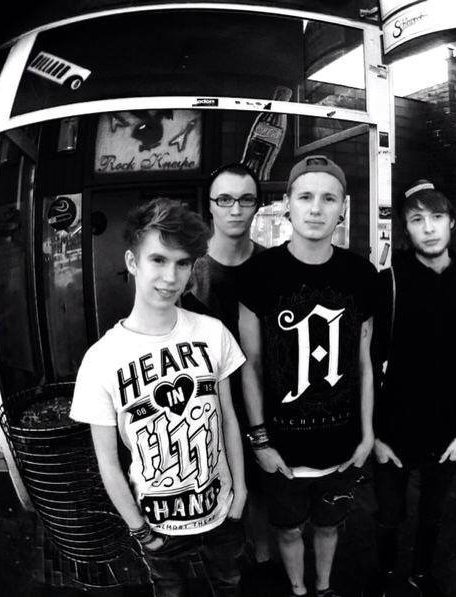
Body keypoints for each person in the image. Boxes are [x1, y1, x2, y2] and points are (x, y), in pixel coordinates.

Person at [70, 198, 248, 597]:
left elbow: (228, 419)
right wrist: (140, 531)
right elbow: (107, 460)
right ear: (132, 262)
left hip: (222, 513)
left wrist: (240, 493)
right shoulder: (101, 359)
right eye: (158, 260)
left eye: (182, 263)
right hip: (157, 528)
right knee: (169, 591)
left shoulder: (212, 332)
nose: (171, 277)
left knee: (230, 584)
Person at [237, 155, 377, 597]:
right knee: (288, 529)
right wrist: (261, 442)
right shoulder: (258, 275)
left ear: (342, 209)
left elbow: (364, 362)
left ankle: (323, 588)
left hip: (342, 445)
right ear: (287, 205)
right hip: (282, 448)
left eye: (328, 198)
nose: (316, 208)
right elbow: (250, 365)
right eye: (305, 197)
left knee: (330, 526)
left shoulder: (361, 275)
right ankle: (298, 589)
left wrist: (368, 435)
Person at [368, 180, 456, 597]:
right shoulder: (390, 282)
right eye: (417, 219)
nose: (429, 228)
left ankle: (421, 573)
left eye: (437, 217)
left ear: (451, 221)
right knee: (389, 514)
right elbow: (367, 363)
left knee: (432, 513)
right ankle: (384, 574)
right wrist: (375, 435)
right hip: (393, 434)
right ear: (406, 228)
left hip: (449, 433)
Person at [184, 162, 276, 573]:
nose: (235, 209)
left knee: (263, 491)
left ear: (258, 205)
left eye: (245, 199)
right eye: (224, 199)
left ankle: (265, 562)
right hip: (206, 403)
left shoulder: (272, 267)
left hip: (263, 399)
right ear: (210, 206)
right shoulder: (188, 270)